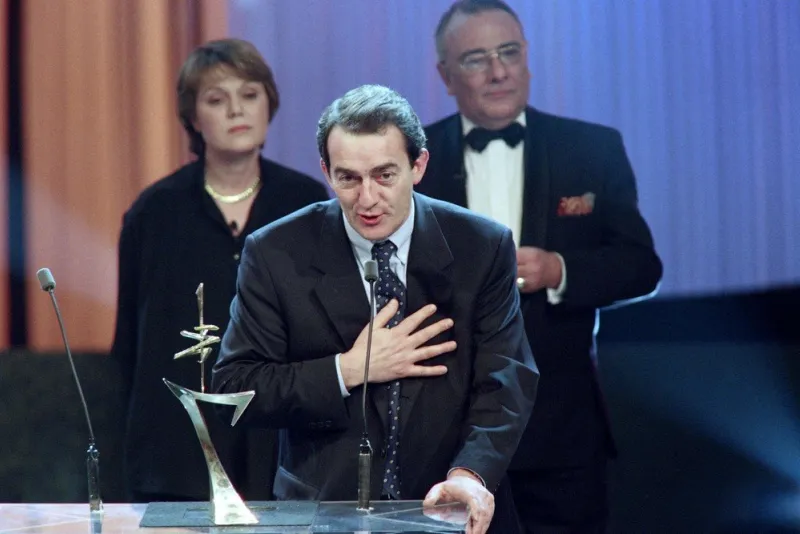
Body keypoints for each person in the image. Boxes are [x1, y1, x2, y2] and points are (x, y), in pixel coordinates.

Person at [211, 84, 539, 534]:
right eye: (348, 178)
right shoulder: (275, 253)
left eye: (385, 175)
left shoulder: (481, 247)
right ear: (327, 172)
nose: (367, 199)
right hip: (323, 511)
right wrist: (347, 370)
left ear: (417, 165)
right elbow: (236, 388)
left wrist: (470, 474)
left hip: (449, 506)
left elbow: (505, 382)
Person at [416, 1, 664, 532]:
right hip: (445, 435)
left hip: (563, 431)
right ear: (446, 75)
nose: (499, 71)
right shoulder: (416, 160)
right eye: (477, 59)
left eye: (509, 53)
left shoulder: (591, 148)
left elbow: (640, 266)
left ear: (527, 56)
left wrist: (559, 270)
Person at [111, 38, 330, 503]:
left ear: (269, 103)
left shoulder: (310, 206)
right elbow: (130, 344)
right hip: (175, 445)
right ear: (192, 117)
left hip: (283, 439)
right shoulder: (154, 213)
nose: (236, 110)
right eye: (216, 99)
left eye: (249, 94)